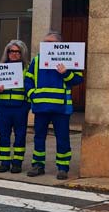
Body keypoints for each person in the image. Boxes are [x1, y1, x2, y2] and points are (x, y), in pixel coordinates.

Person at [25, 31, 83, 180]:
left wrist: (65, 73)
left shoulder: (68, 59)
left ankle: (63, 168)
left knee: (62, 138)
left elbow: (77, 79)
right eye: (45, 43)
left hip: (61, 108)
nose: (47, 45)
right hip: (41, 106)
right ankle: (38, 165)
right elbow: (28, 80)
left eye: (50, 43)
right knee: (39, 137)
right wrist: (33, 95)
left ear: (58, 45)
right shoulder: (36, 60)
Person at [0, 40, 30, 174]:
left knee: (20, 136)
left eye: (17, 52)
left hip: (20, 107)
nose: (14, 54)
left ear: (22, 53)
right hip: (4, 108)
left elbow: (30, 85)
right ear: (7, 53)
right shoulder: (0, 67)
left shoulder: (27, 68)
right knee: (4, 136)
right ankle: (4, 162)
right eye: (11, 51)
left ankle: (17, 163)